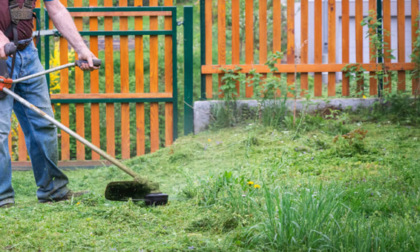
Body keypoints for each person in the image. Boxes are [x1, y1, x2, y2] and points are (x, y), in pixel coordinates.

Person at [0, 0, 98, 208]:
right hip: (1, 54)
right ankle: (2, 198)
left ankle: (53, 190)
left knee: (43, 123)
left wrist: (81, 48)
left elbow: (55, 6)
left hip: (27, 52)